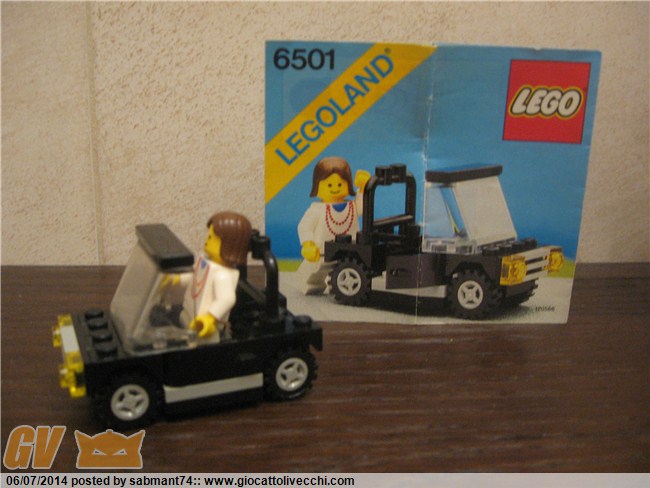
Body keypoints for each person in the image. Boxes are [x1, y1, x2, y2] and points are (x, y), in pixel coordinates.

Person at [164, 211, 251, 340]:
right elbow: (194, 278)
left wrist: (210, 317)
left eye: (212, 237)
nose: (207, 239)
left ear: (230, 245)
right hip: (188, 312)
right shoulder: (204, 262)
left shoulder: (222, 275)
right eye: (208, 235)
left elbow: (227, 299)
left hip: (204, 328)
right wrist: (177, 279)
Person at [296, 157, 370, 294]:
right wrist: (308, 244)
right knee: (313, 273)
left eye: (340, 184)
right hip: (322, 251)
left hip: (349, 251)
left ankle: (335, 286)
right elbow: (304, 226)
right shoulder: (317, 209)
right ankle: (311, 285)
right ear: (317, 186)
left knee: (341, 270)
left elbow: (363, 208)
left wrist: (363, 189)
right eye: (329, 185)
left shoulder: (351, 206)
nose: (335, 188)